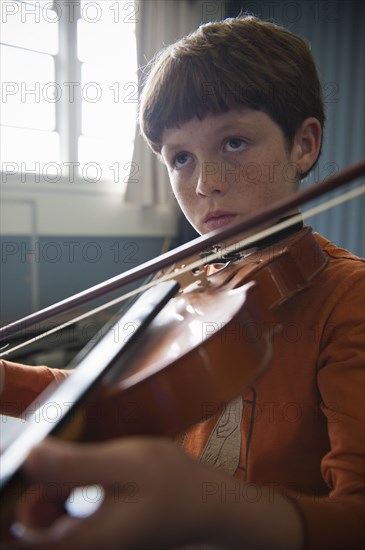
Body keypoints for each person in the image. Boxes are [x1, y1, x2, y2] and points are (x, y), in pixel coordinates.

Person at [0, 15, 364, 550]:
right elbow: (103, 401)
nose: (206, 183)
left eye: (234, 143)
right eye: (181, 158)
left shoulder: (348, 298)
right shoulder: (190, 280)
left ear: (304, 145)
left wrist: (212, 509)